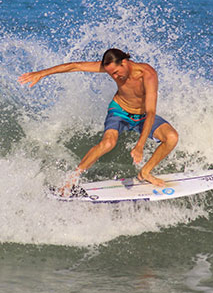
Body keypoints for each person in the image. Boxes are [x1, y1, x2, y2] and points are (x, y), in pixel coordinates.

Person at [18, 48, 178, 194]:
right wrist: (42, 73)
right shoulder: (113, 69)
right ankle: (72, 178)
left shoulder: (148, 75)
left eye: (116, 72)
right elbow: (76, 66)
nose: (115, 77)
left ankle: (145, 172)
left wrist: (140, 145)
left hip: (143, 116)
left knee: (171, 138)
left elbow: (150, 112)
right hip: (120, 111)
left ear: (124, 62)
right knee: (108, 143)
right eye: (111, 74)